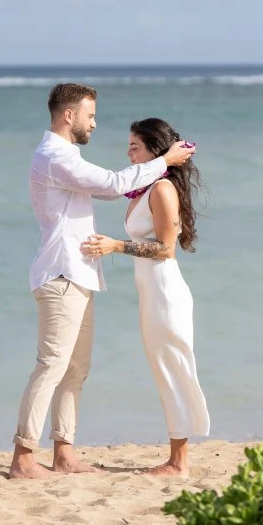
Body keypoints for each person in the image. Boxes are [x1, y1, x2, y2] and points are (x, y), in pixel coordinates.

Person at [8, 84, 195, 480]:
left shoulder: (67, 157)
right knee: (52, 365)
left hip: (80, 273)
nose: (95, 123)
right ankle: (23, 457)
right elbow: (112, 185)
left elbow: (112, 191)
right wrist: (164, 161)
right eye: (90, 115)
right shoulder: (54, 155)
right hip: (60, 273)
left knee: (76, 368)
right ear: (69, 116)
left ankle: (64, 453)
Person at [80, 117, 210, 476]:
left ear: (156, 150)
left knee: (173, 368)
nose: (128, 152)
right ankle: (177, 457)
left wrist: (115, 246)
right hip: (152, 292)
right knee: (165, 368)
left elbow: (166, 249)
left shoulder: (162, 190)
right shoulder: (147, 188)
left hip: (165, 291)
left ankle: (178, 462)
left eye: (135, 146)